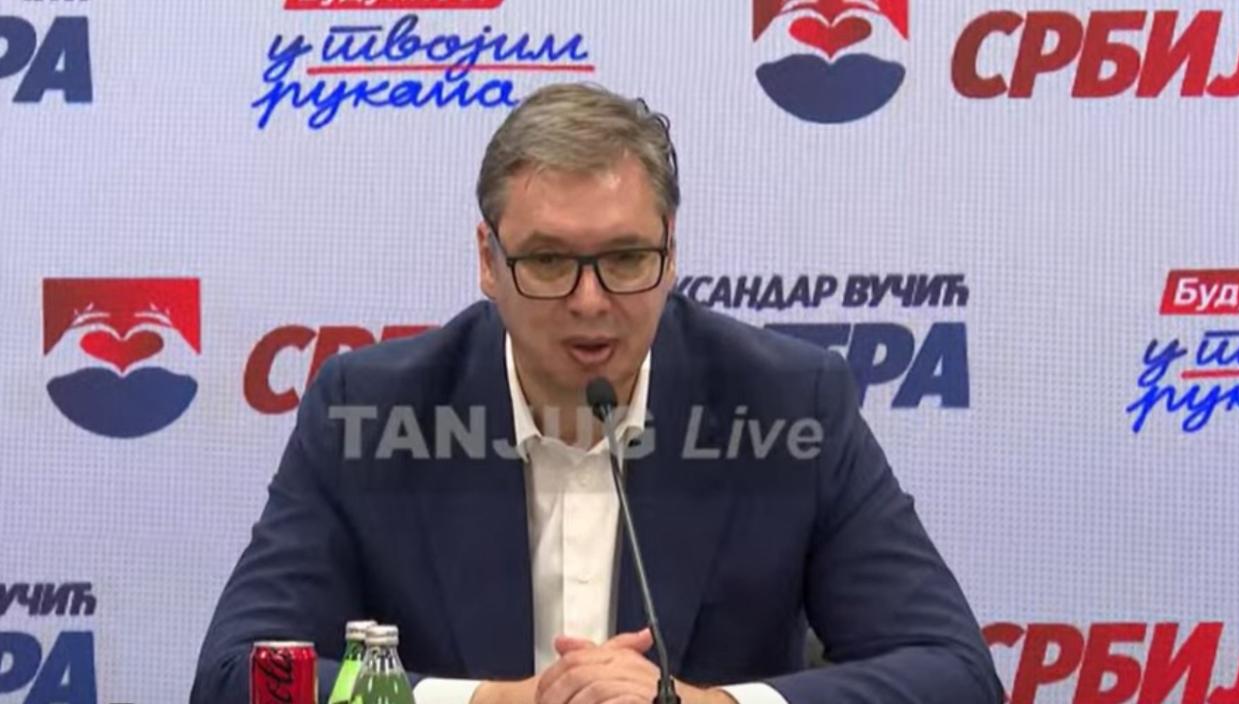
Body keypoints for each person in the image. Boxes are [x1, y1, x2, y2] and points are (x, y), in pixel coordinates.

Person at [191, 82, 1003, 704]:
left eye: (625, 258)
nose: (590, 301)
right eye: (548, 261)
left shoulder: (788, 404)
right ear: (488, 261)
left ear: (671, 254)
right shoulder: (367, 412)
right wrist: (489, 703)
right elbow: (235, 676)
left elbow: (956, 674)